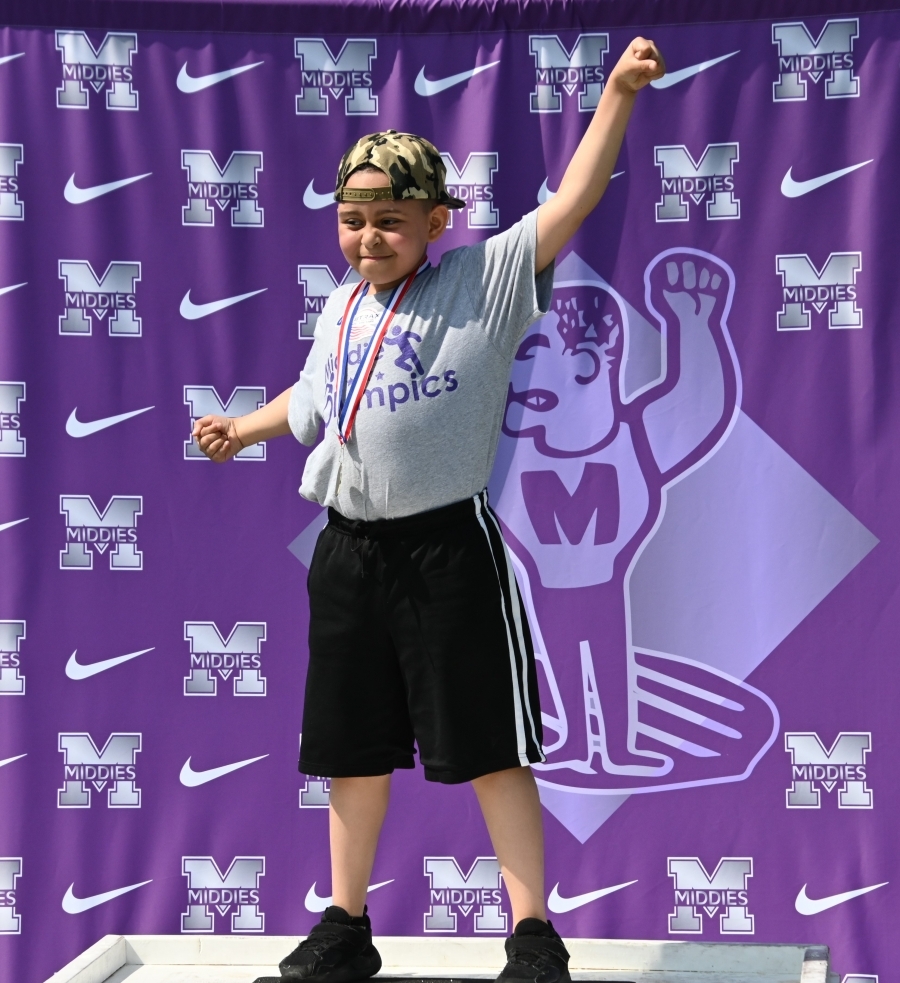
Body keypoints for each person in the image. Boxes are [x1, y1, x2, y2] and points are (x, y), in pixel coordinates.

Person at [193, 38, 665, 983]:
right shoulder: (339, 308)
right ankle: (344, 923)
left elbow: (572, 200)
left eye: (391, 219)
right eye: (354, 219)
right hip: (348, 551)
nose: (369, 237)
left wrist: (616, 95)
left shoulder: (482, 285)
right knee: (350, 748)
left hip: (449, 553)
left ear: (437, 219)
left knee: (490, 744)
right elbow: (314, 395)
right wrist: (249, 427)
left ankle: (533, 933)